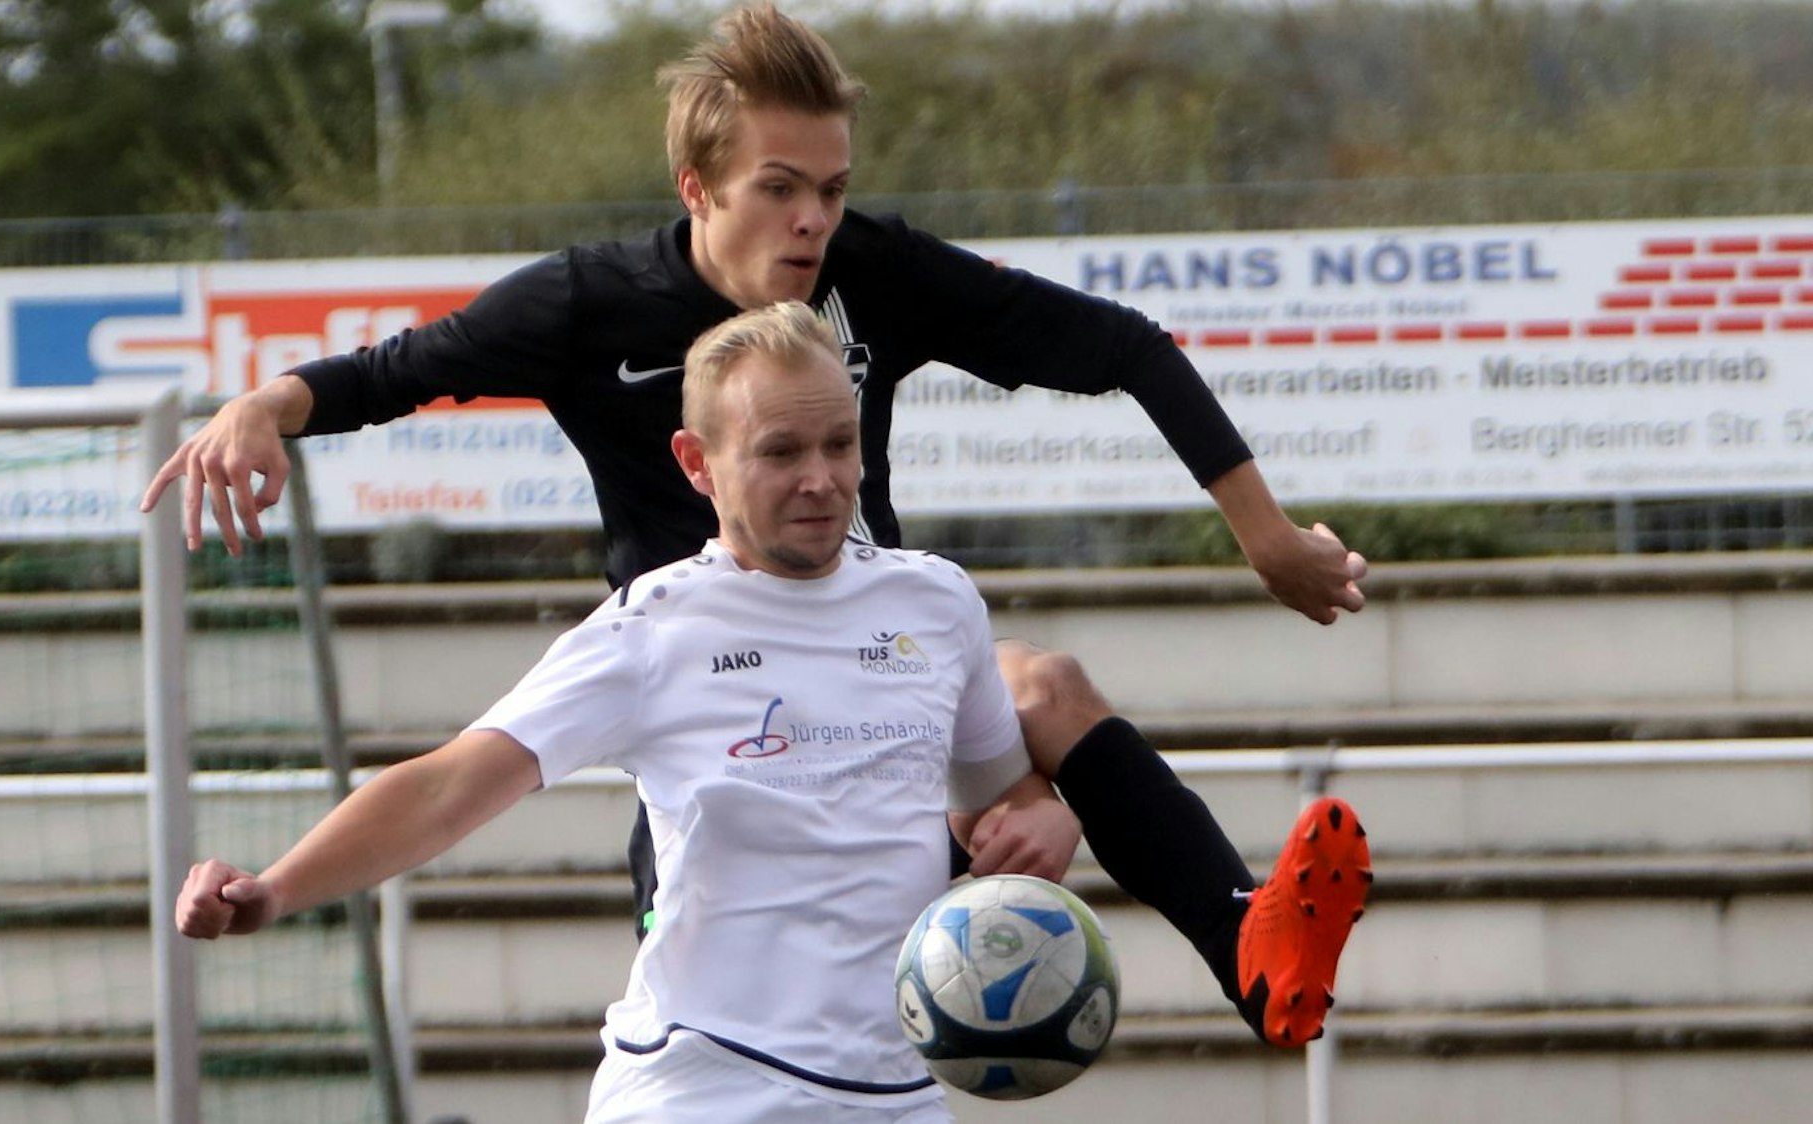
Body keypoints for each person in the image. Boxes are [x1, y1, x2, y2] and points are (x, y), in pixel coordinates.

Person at [144, 2, 1371, 1048]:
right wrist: (262, 403)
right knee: (716, 997)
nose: (811, 222)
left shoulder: (883, 329)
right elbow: (396, 370)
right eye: (777, 189)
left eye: (831, 191)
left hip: (880, 694)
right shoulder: (596, 315)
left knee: (1039, 682)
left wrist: (1257, 541)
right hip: (712, 731)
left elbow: (1125, 346)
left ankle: (1246, 945)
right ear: (697, 188)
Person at [181, 302, 1060, 1123]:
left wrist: (1045, 821)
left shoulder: (936, 603)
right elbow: (449, 787)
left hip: (899, 1093)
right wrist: (276, 889)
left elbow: (1003, 796)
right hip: (702, 1084)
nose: (821, 479)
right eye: (781, 452)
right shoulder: (652, 628)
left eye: (839, 444)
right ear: (695, 462)